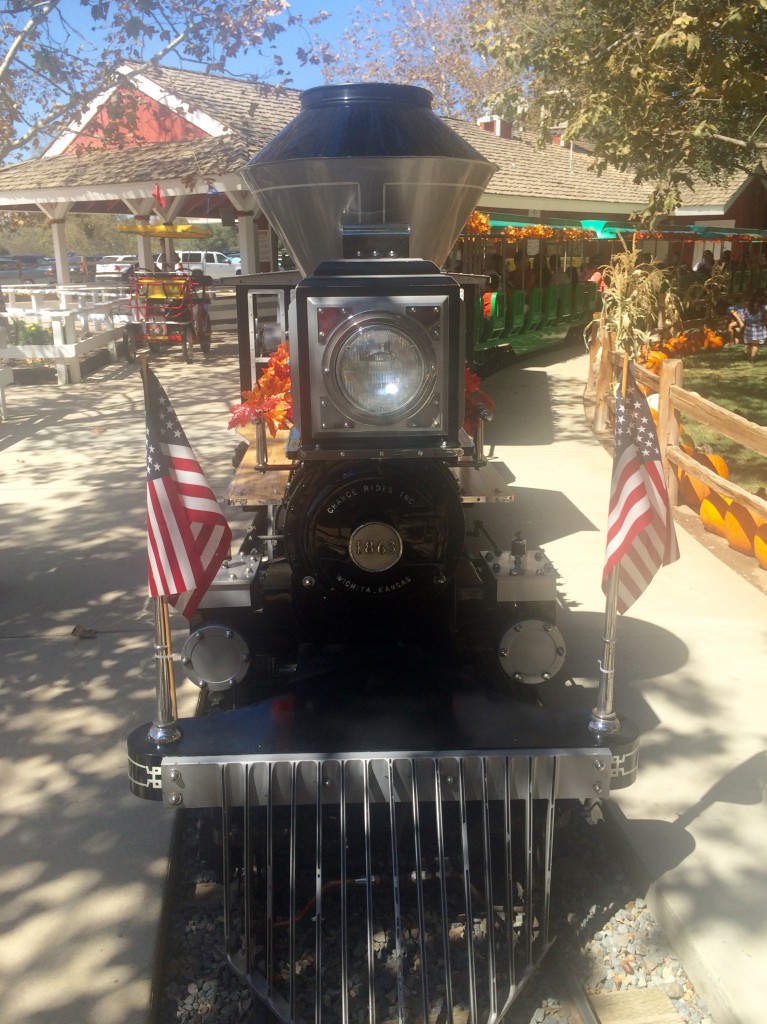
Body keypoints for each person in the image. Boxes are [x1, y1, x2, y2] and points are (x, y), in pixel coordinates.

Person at [729, 291, 767, 362]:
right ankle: (752, 359)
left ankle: (745, 356)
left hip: (749, 328)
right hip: (758, 328)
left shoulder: (748, 305)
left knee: (748, 343)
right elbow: (765, 319)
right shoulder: (763, 308)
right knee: (755, 345)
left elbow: (744, 314)